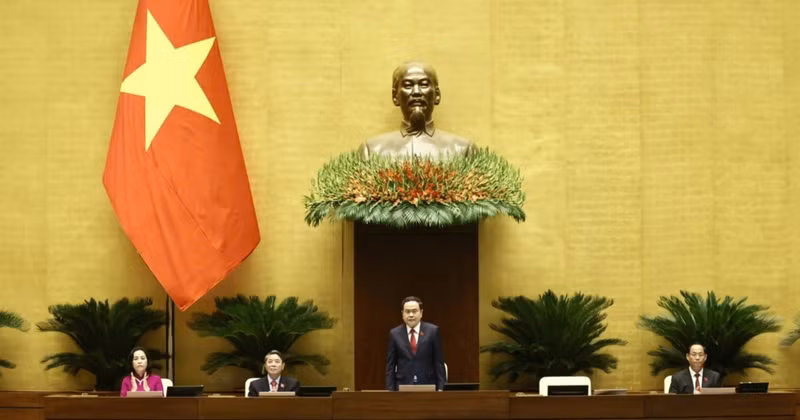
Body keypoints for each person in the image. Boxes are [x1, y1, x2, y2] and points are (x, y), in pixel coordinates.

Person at [361, 61, 473, 160]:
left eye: (424, 84)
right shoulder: (373, 150)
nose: (416, 92)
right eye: (408, 85)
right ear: (395, 96)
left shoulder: (462, 150)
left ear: (437, 95)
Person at [385, 296, 446, 391]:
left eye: (414, 311)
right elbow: (390, 366)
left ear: (421, 313)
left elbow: (438, 362)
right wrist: (390, 390)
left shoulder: (433, 331)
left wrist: (441, 388)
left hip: (428, 386)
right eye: (407, 311)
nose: (411, 315)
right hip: (402, 387)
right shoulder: (395, 334)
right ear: (402, 314)